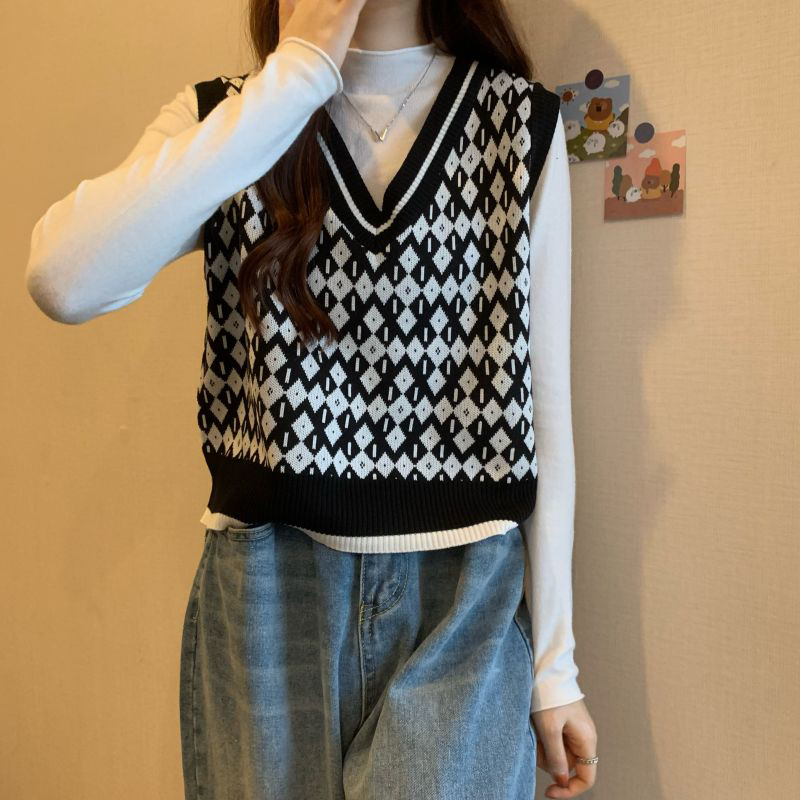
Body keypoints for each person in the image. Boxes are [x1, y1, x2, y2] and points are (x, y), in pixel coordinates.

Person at [24, 0, 598, 797]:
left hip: (462, 594)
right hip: (266, 589)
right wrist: (297, 74)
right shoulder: (233, 115)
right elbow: (65, 278)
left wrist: (554, 667)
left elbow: (542, 406)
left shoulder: (515, 124)